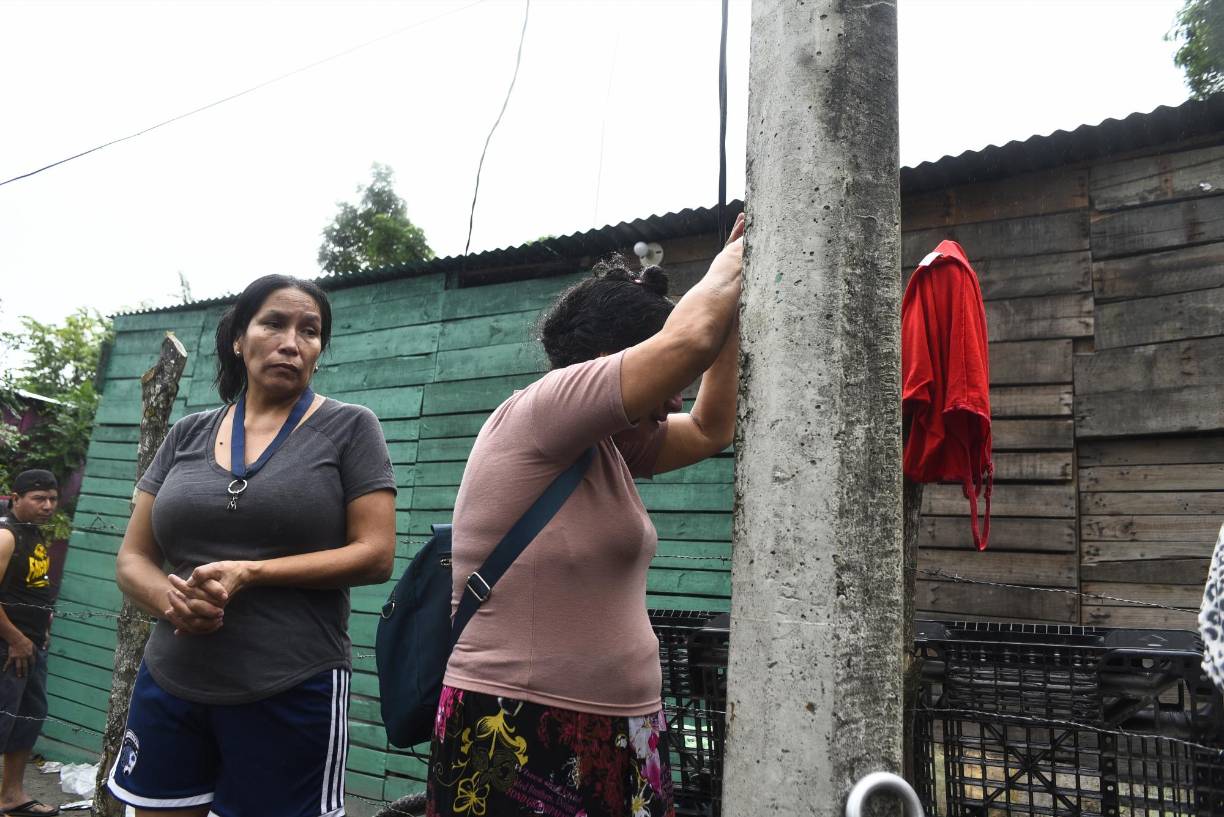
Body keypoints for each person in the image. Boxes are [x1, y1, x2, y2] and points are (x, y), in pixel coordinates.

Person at [428, 213, 745, 817]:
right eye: (665, 377)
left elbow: (709, 427)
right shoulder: (544, 410)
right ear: (606, 363)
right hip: (521, 722)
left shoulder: (612, 444)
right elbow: (688, 346)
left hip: (623, 729)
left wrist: (730, 318)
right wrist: (738, 254)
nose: (674, 396)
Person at [107, 274, 397, 817]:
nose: (292, 341)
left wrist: (253, 572)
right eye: (274, 323)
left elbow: (376, 553)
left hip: (291, 685)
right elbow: (132, 559)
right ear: (239, 339)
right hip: (172, 679)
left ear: (318, 350)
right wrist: (173, 602)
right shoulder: (188, 433)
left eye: (309, 331)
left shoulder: (351, 428)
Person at [0, 469, 60, 817]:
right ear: (16, 498)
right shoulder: (7, 535)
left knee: (28, 719)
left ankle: (11, 796)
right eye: (39, 499)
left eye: (52, 498)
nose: (48, 505)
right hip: (9, 649)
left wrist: (41, 630)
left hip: (32, 646)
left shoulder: (34, 535)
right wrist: (16, 638)